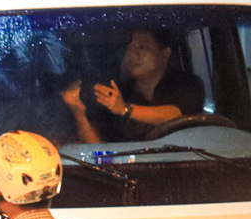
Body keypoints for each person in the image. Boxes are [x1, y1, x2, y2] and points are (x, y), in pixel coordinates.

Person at [62, 29, 205, 143]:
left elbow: (176, 115)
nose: (132, 53)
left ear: (164, 54)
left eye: (142, 46)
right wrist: (79, 114)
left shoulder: (187, 84)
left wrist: (124, 109)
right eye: (128, 48)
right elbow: (98, 148)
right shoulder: (119, 93)